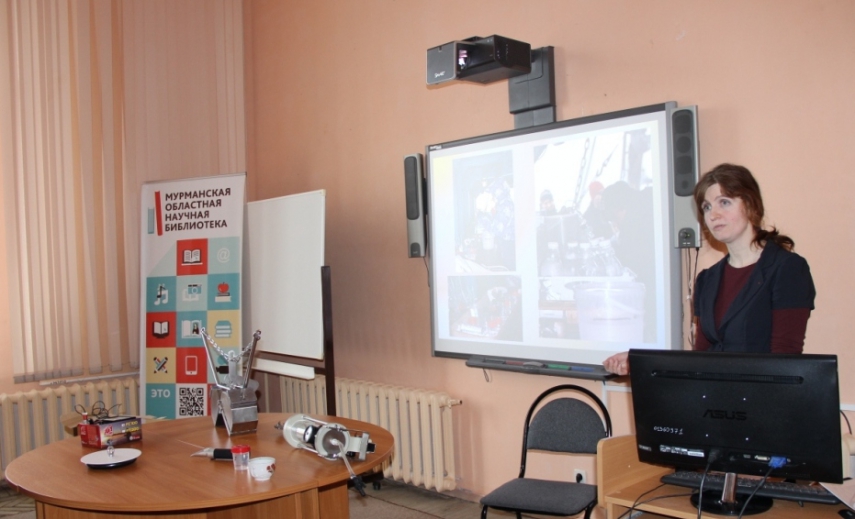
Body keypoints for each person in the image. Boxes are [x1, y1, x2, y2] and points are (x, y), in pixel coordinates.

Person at [602, 163, 815, 376]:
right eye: (707, 207)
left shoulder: (787, 269)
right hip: (713, 395)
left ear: (750, 205)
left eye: (724, 202)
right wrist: (641, 362)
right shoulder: (707, 279)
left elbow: (785, 361)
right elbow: (700, 361)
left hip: (762, 395)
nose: (713, 215)